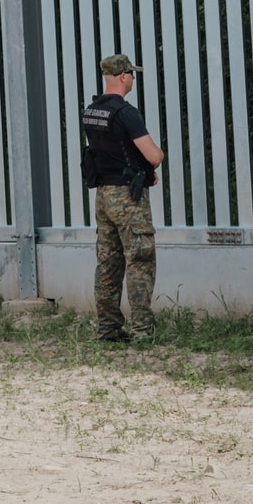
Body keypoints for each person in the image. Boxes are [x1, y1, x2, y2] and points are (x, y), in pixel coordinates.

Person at [81, 54, 166, 343]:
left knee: (108, 264)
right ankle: (142, 331)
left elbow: (112, 152)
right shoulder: (126, 113)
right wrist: (152, 163)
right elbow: (153, 155)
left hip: (103, 196)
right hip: (128, 199)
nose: (133, 79)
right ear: (123, 76)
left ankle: (108, 330)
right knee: (140, 261)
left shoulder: (92, 111)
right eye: (132, 74)